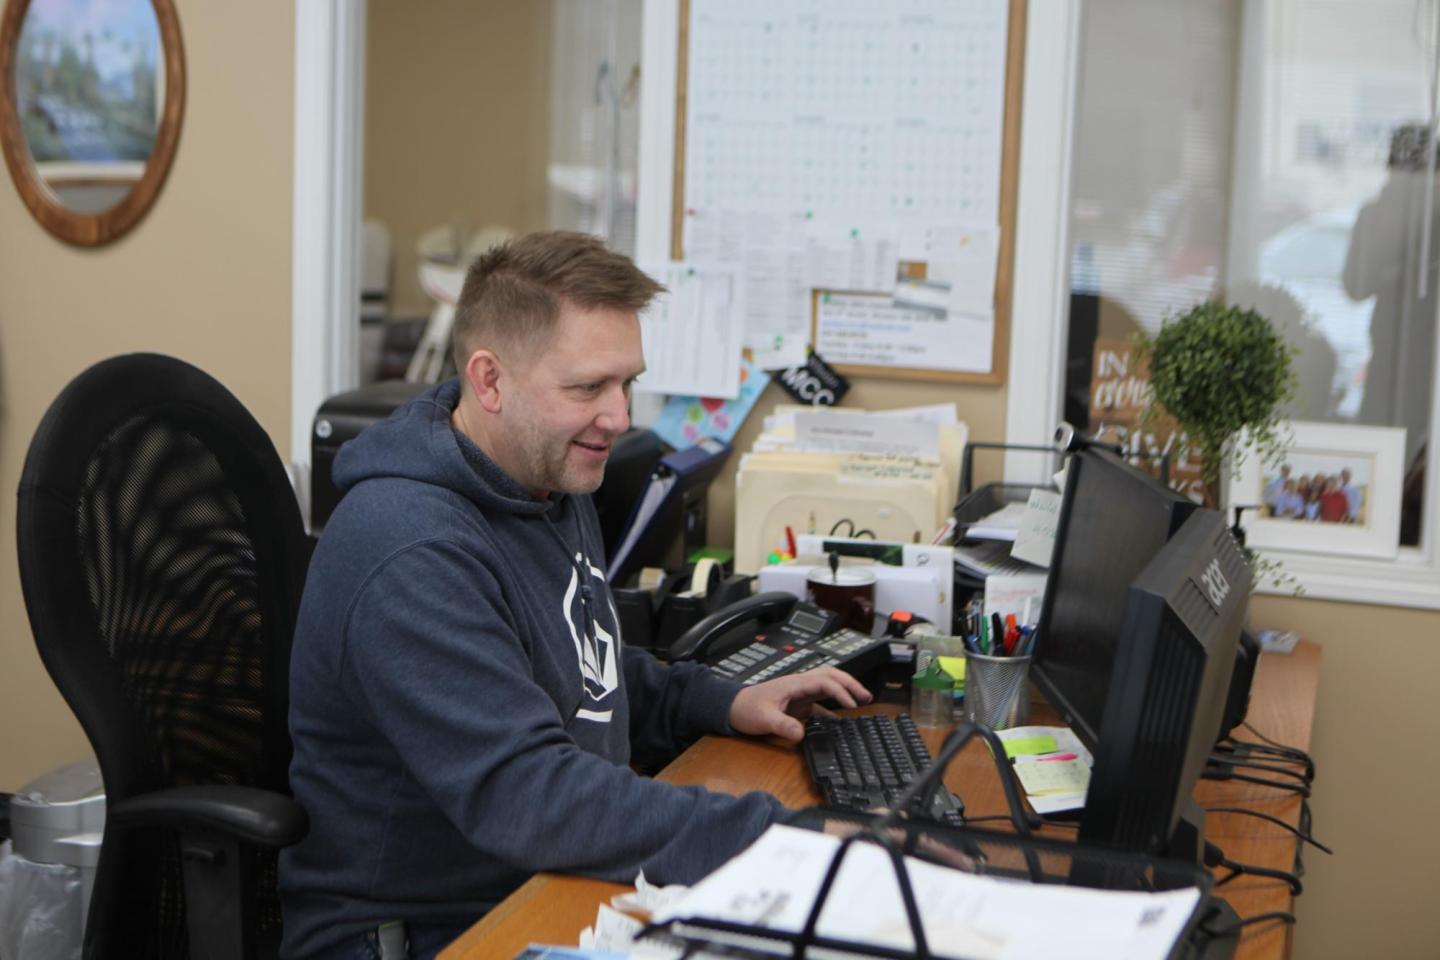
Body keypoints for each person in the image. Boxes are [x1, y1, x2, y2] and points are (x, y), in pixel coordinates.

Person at [279, 231, 871, 960]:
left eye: (626, 383)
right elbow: (530, 795)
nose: (618, 418)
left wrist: (715, 701)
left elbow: (580, 670)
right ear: (489, 381)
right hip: (426, 934)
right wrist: (788, 842)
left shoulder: (546, 479)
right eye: (588, 387)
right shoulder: (409, 547)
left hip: (545, 884)